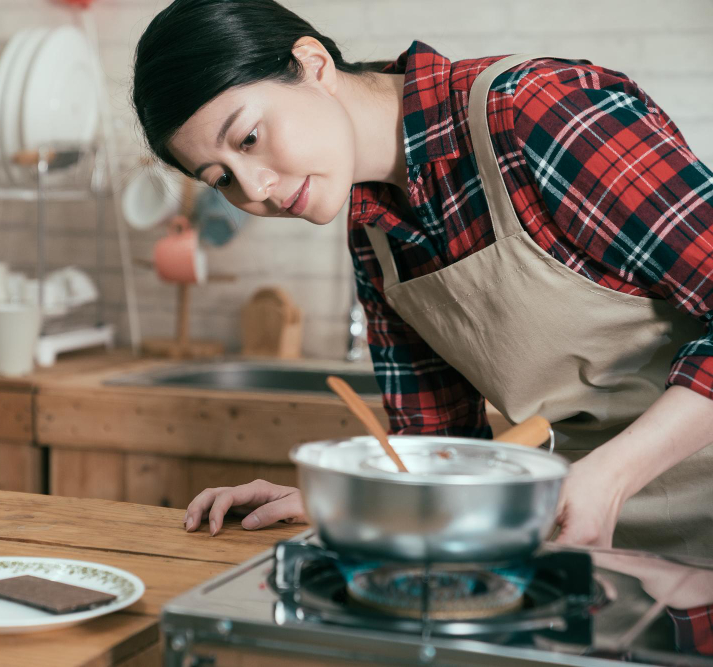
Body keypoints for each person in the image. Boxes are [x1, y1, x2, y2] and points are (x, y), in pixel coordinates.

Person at [131, 0, 713, 558]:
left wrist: (612, 474)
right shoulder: (375, 234)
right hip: (592, 545)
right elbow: (440, 448)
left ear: (312, 63)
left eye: (249, 139)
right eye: (223, 179)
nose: (255, 188)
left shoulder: (538, 113)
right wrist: (342, 501)